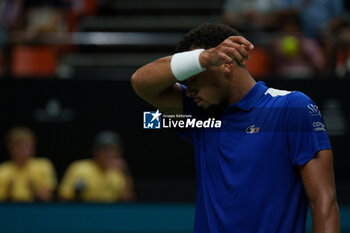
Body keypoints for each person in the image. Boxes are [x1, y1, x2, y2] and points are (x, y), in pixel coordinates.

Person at [131, 23, 340, 232]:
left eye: (194, 78)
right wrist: (202, 59)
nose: (189, 90)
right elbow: (140, 82)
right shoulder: (200, 113)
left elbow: (324, 202)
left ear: (226, 63)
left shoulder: (292, 107)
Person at [59, 130, 135, 202]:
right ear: (95, 151)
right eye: (105, 150)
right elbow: (64, 197)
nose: (110, 154)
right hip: (84, 211)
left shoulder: (119, 172)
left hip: (109, 212)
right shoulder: (79, 168)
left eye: (114, 150)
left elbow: (128, 201)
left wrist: (125, 174)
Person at [0, 127, 57, 202]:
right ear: (10, 148)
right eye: (19, 146)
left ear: (33, 148)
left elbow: (48, 197)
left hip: (37, 209)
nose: (23, 150)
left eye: (27, 146)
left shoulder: (44, 166)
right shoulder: (2, 170)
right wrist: (8, 192)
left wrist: (33, 189)